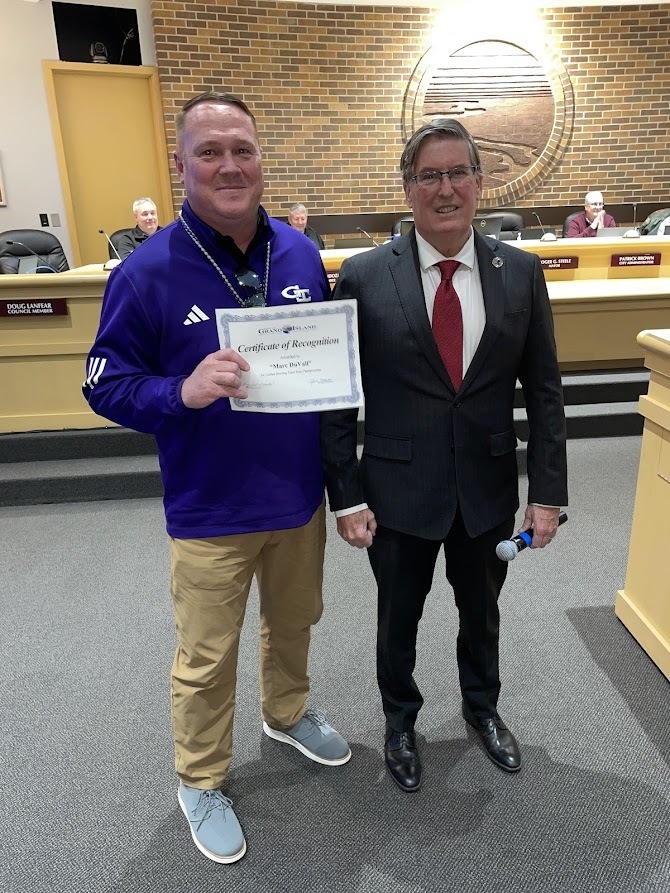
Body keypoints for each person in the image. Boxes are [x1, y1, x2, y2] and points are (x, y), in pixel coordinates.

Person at [83, 91, 350, 864]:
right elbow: (103, 382)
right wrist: (180, 390)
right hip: (209, 504)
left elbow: (324, 370)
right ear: (181, 165)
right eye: (210, 151)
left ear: (262, 159)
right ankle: (200, 777)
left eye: (243, 149)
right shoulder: (146, 270)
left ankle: (287, 712)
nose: (229, 165)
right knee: (206, 655)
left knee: (295, 619)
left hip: (298, 495)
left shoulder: (298, 252)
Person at [321, 118, 567, 793]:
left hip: (486, 488)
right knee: (397, 618)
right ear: (408, 188)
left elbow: (543, 390)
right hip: (395, 490)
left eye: (459, 172)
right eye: (430, 175)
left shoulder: (518, 271)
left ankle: (482, 709)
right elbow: (339, 398)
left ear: (481, 185)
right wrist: (345, 493)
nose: (446, 187)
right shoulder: (366, 276)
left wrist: (546, 493)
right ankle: (400, 722)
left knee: (481, 614)